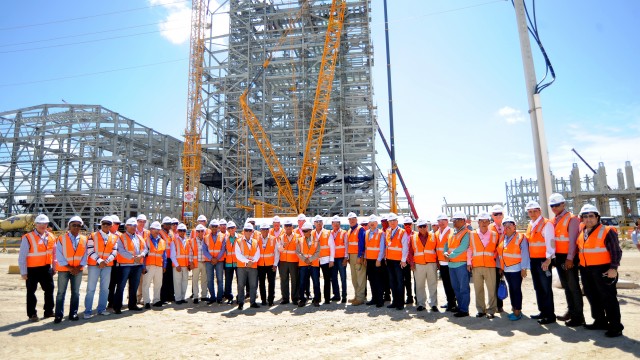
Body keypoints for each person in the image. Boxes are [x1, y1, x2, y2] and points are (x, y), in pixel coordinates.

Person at [577, 204, 624, 337]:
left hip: (603, 269)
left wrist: (613, 268)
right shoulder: (582, 232)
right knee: (592, 296)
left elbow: (616, 251)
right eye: (585, 217)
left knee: (608, 298)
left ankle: (616, 327)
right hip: (586, 269)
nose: (588, 219)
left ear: (597, 217)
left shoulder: (607, 230)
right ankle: (600, 321)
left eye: (591, 216)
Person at [548, 193, 584, 327]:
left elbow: (573, 241)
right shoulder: (555, 220)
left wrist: (570, 258)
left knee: (573, 287)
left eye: (557, 205)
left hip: (569, 257)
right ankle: (571, 311)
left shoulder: (572, 219)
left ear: (563, 204)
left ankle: (579, 317)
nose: (555, 207)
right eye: (552, 206)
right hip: (559, 257)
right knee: (567, 287)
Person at [18, 214, 56, 322]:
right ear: (35, 224)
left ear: (47, 224)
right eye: (40, 223)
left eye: (45, 223)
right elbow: (22, 256)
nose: (42, 225)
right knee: (31, 292)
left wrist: (54, 267)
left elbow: (54, 253)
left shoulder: (51, 236)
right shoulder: (28, 237)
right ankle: (32, 314)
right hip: (32, 269)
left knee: (49, 290)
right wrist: (23, 272)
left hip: (46, 268)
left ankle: (48, 311)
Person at [525, 200, 556, 325]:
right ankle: (543, 311)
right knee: (538, 287)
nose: (532, 213)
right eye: (530, 211)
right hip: (534, 260)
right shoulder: (530, 224)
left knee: (545, 288)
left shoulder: (546, 224)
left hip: (544, 260)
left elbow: (551, 242)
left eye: (535, 211)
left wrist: (548, 259)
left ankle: (550, 315)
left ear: (540, 211)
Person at [54, 216, 88, 323]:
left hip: (78, 270)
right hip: (64, 269)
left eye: (79, 225)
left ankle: (73, 313)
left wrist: (79, 267)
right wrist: (69, 267)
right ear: (69, 226)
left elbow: (85, 254)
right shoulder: (61, 238)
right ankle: (58, 315)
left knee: (76, 293)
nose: (76, 227)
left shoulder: (84, 239)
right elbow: (58, 254)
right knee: (61, 293)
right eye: (74, 225)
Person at [84, 216, 118, 318]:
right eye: (104, 224)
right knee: (91, 289)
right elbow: (90, 250)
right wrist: (100, 261)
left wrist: (106, 261)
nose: (106, 226)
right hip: (94, 265)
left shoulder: (114, 237)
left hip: (107, 266)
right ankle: (88, 311)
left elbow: (114, 252)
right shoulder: (93, 236)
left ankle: (101, 309)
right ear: (101, 224)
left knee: (105, 289)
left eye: (108, 224)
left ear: (111, 226)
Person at [497, 215, 529, 321]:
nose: (507, 227)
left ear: (514, 226)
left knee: (516, 290)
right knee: (511, 289)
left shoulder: (521, 238)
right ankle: (515, 308)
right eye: (505, 225)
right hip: (506, 269)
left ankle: (517, 311)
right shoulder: (503, 237)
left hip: (516, 269)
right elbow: (500, 253)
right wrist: (501, 268)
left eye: (510, 224)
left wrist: (524, 268)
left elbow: (524, 253)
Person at [468, 211, 499, 319]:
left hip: (490, 265)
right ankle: (481, 310)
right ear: (478, 222)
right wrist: (469, 262)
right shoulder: (472, 234)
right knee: (478, 289)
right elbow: (470, 249)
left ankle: (491, 310)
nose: (484, 223)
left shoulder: (494, 234)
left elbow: (497, 250)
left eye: (486, 221)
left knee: (491, 289)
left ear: (489, 222)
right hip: (476, 265)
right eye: (482, 221)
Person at [114, 217, 147, 314]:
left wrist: (141, 255)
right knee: (121, 286)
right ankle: (117, 306)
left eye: (135, 225)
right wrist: (133, 257)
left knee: (134, 286)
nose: (133, 227)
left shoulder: (139, 238)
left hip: (137, 265)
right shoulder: (121, 237)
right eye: (131, 225)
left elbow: (145, 249)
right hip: (125, 265)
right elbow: (120, 250)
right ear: (126, 226)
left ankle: (132, 305)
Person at [444, 212, 471, 317]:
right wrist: (445, 253)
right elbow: (446, 245)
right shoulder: (452, 232)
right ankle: (460, 306)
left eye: (457, 219)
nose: (454, 222)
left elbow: (463, 247)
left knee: (463, 288)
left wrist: (449, 256)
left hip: (461, 264)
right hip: (452, 265)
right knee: (456, 287)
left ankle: (464, 309)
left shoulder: (467, 233)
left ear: (463, 221)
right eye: (453, 220)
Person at [409, 218, 439, 312]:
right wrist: (412, 263)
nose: (422, 228)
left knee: (432, 284)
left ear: (427, 226)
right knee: (419, 285)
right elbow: (410, 252)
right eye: (420, 227)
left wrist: (438, 263)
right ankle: (421, 304)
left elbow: (437, 250)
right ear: (417, 227)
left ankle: (433, 304)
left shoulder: (434, 236)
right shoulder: (413, 237)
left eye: (424, 226)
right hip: (419, 265)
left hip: (431, 264)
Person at [385, 212, 409, 310]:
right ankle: (394, 301)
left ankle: (400, 303)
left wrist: (403, 260)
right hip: (390, 260)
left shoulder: (402, 232)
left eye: (394, 221)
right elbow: (387, 245)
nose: (392, 223)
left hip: (398, 261)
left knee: (400, 282)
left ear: (397, 221)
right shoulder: (388, 231)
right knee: (392, 282)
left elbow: (405, 247)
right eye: (390, 221)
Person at [434, 213, 457, 312]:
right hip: (441, 263)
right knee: (446, 284)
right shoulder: (436, 233)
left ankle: (453, 303)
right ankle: (450, 302)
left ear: (447, 221)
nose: (441, 222)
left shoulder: (452, 232)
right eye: (439, 221)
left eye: (443, 220)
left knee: (452, 284)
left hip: (450, 262)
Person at [235, 223, 261, 310]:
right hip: (242, 266)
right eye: (246, 230)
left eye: (250, 230)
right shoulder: (238, 241)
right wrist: (247, 262)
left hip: (253, 266)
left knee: (253, 285)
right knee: (241, 285)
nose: (248, 232)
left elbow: (257, 254)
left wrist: (252, 261)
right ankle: (241, 303)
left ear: (252, 232)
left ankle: (252, 302)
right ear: (243, 231)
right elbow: (238, 255)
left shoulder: (255, 242)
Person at [296, 221, 321, 307]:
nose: (304, 232)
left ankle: (316, 299)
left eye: (306, 231)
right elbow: (298, 251)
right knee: (302, 282)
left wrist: (310, 259)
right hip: (303, 265)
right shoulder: (300, 240)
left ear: (310, 230)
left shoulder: (316, 240)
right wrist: (305, 259)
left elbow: (318, 252)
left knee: (316, 283)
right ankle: (302, 299)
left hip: (313, 264)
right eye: (303, 231)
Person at [142, 221, 166, 309]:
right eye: (155, 229)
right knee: (146, 284)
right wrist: (143, 266)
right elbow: (143, 255)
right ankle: (146, 302)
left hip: (159, 265)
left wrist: (164, 265)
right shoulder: (146, 240)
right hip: (149, 265)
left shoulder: (162, 241)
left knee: (158, 284)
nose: (156, 231)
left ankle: (156, 300)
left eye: (158, 229)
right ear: (151, 230)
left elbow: (164, 254)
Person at [364, 215, 385, 308]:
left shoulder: (381, 233)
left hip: (377, 261)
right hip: (369, 260)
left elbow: (382, 248)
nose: (372, 224)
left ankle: (380, 300)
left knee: (379, 280)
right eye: (370, 223)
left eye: (374, 222)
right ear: (368, 224)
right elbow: (366, 247)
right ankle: (374, 298)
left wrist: (379, 259)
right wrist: (365, 258)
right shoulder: (367, 233)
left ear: (377, 223)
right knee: (371, 280)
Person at [346, 212, 367, 306]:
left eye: (353, 219)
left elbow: (361, 244)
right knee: (354, 278)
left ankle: (360, 298)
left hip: (358, 256)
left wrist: (359, 256)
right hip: (351, 256)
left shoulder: (360, 229)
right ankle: (356, 296)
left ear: (356, 219)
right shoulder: (350, 230)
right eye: (350, 219)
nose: (352, 220)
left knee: (360, 277)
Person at [203, 219, 226, 304]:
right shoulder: (206, 238)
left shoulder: (222, 236)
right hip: (209, 261)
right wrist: (211, 258)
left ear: (218, 227)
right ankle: (212, 297)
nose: (214, 228)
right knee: (210, 279)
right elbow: (204, 250)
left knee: (220, 279)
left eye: (216, 227)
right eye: (213, 226)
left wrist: (217, 258)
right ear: (210, 227)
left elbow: (223, 249)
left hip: (219, 261)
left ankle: (219, 297)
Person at [277, 219, 299, 305]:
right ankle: (285, 298)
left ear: (292, 227)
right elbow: (278, 248)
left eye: (290, 226)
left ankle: (295, 298)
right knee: (284, 280)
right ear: (284, 227)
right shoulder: (281, 237)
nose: (288, 227)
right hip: (283, 262)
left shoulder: (297, 237)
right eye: (286, 226)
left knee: (294, 280)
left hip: (294, 261)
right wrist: (283, 246)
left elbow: (299, 249)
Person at [312, 215, 333, 304]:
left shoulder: (328, 233)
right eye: (317, 222)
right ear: (314, 223)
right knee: (315, 280)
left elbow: (332, 247)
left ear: (323, 223)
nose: (319, 223)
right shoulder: (311, 233)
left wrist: (331, 260)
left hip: (326, 260)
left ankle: (327, 298)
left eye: (320, 221)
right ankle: (317, 297)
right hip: (315, 260)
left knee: (327, 280)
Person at [489, 205, 505, 313]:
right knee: (494, 283)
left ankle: (515, 307)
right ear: (492, 216)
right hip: (494, 260)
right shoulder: (489, 227)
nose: (498, 216)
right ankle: (497, 305)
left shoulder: (507, 225)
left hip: (506, 259)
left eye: (500, 214)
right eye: (496, 214)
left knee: (504, 283)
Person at [257, 222, 278, 306]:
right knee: (261, 283)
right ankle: (263, 300)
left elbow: (276, 253)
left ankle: (271, 300)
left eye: (266, 230)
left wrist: (275, 264)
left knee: (271, 282)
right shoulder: (257, 239)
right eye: (263, 230)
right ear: (260, 230)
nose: (265, 231)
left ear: (269, 230)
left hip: (271, 265)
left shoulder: (273, 239)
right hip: (260, 265)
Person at [329, 215, 348, 303]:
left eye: (337, 223)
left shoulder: (344, 233)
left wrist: (345, 257)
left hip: (341, 259)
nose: (335, 225)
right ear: (332, 224)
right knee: (334, 278)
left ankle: (344, 296)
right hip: (333, 259)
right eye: (334, 223)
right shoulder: (330, 233)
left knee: (343, 278)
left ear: (340, 224)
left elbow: (346, 246)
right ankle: (336, 295)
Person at [171, 223, 191, 305]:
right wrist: (176, 265)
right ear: (177, 231)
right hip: (178, 266)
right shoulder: (174, 241)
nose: (182, 232)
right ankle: (178, 298)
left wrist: (189, 264)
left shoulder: (187, 241)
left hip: (185, 265)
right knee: (177, 282)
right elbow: (173, 255)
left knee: (185, 282)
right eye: (180, 231)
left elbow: (189, 253)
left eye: (184, 231)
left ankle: (183, 297)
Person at [189, 224, 208, 303]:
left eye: (202, 231)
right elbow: (190, 252)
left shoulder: (207, 240)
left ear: (204, 232)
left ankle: (204, 295)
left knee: (204, 280)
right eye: (198, 231)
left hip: (204, 262)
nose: (200, 232)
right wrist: (191, 262)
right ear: (196, 232)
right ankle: (196, 296)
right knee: (195, 280)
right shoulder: (192, 241)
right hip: (196, 263)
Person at [107, 214, 122, 309]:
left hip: (119, 262)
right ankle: (110, 301)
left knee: (118, 282)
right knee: (110, 283)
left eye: (118, 224)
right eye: (116, 223)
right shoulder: (106, 234)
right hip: (108, 263)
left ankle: (116, 301)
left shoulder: (120, 235)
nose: (117, 225)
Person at [223, 221, 240, 304]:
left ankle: (239, 297)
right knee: (228, 281)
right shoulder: (225, 239)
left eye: (232, 228)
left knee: (239, 281)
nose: (231, 230)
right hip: (228, 263)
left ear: (235, 228)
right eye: (229, 228)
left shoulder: (240, 238)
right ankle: (229, 297)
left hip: (238, 263)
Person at [134, 214, 150, 305]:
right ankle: (132, 298)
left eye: (144, 222)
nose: (142, 223)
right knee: (134, 280)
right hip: (135, 259)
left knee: (143, 280)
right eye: (140, 221)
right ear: (137, 222)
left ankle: (141, 297)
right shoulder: (133, 231)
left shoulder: (147, 232)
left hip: (144, 258)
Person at [159, 217, 175, 303]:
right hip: (164, 258)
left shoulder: (171, 233)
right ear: (163, 225)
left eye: (170, 224)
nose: (169, 226)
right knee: (164, 279)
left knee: (170, 278)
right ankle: (163, 297)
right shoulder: (160, 233)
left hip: (170, 258)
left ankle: (170, 296)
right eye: (168, 224)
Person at [402, 217, 416, 305]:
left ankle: (417, 297)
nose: (408, 226)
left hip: (415, 260)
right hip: (405, 260)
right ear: (404, 225)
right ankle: (409, 297)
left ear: (412, 225)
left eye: (409, 224)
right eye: (406, 225)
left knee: (416, 280)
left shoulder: (416, 234)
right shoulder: (401, 234)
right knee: (406, 280)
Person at [380, 214, 392, 302]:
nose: (384, 223)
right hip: (382, 258)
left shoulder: (390, 231)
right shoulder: (380, 232)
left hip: (390, 258)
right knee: (383, 277)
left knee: (390, 277)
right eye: (382, 221)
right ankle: (386, 294)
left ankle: (389, 294)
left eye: (385, 221)